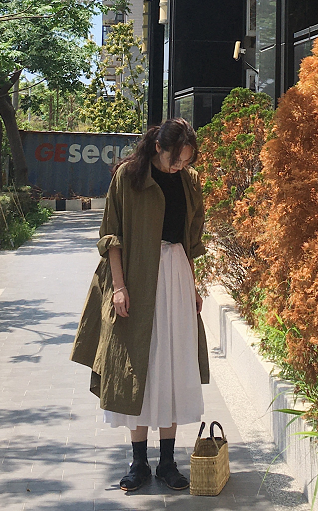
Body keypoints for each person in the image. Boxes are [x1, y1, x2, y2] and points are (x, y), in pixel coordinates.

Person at [70, 118, 209, 492]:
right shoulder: (129, 177)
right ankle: (138, 461)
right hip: (136, 277)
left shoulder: (188, 181)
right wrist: (119, 287)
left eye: (186, 160)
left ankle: (168, 461)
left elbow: (187, 240)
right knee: (137, 366)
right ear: (158, 147)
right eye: (175, 159)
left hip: (176, 277)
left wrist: (193, 286)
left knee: (172, 364)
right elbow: (111, 236)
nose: (180, 166)